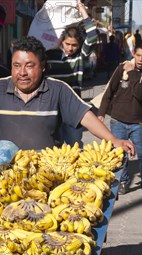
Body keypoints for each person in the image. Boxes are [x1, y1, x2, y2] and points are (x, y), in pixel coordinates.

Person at [0, 36, 135, 156]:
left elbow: (85, 116)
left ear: (43, 66)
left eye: (29, 66)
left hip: (47, 171)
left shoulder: (58, 89)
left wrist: (113, 139)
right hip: (5, 172)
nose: (22, 72)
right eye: (16, 66)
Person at [98, 40, 142, 200]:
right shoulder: (121, 67)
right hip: (118, 120)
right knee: (118, 155)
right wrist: (101, 113)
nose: (140, 59)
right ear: (133, 54)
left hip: (138, 122)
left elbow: (141, 94)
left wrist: (131, 74)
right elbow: (109, 90)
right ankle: (121, 183)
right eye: (137, 55)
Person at [45, 1, 97, 146]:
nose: (70, 48)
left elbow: (92, 35)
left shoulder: (80, 56)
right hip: (52, 107)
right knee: (53, 146)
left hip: (73, 108)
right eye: (67, 44)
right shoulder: (49, 55)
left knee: (74, 145)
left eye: (74, 45)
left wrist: (82, 10)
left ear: (79, 45)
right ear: (61, 41)